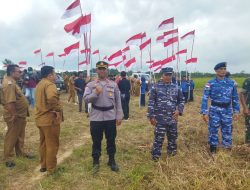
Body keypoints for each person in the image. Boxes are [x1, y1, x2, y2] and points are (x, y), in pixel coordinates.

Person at [84, 61, 123, 172]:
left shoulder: (113, 84)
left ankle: (111, 160)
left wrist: (119, 115)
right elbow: (86, 99)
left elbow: (118, 101)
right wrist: (95, 93)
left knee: (111, 139)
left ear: (107, 70)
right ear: (96, 70)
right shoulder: (91, 85)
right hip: (96, 117)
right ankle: (96, 161)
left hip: (110, 117)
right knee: (96, 140)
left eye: (104, 69)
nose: (102, 71)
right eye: (100, 68)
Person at [200, 62, 240, 153]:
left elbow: (235, 97)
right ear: (216, 70)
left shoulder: (231, 83)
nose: (223, 71)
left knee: (227, 130)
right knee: (213, 129)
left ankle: (226, 149)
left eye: (224, 69)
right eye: (220, 69)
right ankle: (213, 150)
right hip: (215, 110)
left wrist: (236, 111)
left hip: (227, 110)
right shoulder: (210, 83)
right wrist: (204, 112)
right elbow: (205, 98)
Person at [148, 67, 185, 160]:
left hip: (172, 118)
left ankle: (172, 155)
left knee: (172, 137)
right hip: (159, 119)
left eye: (170, 75)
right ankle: (156, 156)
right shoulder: (155, 87)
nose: (168, 77)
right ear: (162, 75)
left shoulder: (176, 87)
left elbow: (181, 100)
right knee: (158, 138)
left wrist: (179, 110)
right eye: (166, 75)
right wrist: (151, 116)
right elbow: (151, 102)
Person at [2, 64, 34, 168]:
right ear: (12, 73)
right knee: (12, 136)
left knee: (19, 135)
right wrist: (14, 114)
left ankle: (20, 153)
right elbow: (10, 102)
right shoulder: (9, 84)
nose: (21, 73)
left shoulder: (13, 82)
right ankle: (7, 157)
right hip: (15, 114)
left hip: (20, 114)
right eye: (19, 72)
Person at [35, 66, 63, 174]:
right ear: (49, 75)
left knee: (44, 143)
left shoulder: (39, 84)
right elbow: (51, 98)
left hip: (41, 119)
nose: (55, 76)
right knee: (52, 144)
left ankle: (44, 165)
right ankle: (51, 169)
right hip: (49, 119)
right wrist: (57, 109)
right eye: (54, 74)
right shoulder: (50, 84)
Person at [239, 77, 250, 144]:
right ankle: (248, 145)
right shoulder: (248, 80)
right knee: (248, 127)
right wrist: (245, 107)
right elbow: (242, 93)